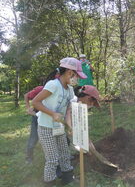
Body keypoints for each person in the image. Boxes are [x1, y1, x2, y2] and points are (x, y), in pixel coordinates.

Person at [32, 57, 87, 186]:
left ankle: (68, 179)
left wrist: (70, 126)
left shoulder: (69, 90)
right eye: (76, 76)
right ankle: (49, 182)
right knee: (52, 159)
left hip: (59, 127)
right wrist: (52, 113)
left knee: (64, 154)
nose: (76, 80)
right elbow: (35, 102)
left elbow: (67, 111)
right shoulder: (53, 85)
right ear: (69, 72)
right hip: (46, 128)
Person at [24, 85, 43, 164]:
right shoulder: (40, 89)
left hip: (50, 117)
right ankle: (29, 157)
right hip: (37, 117)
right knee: (34, 138)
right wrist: (28, 108)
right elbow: (26, 95)